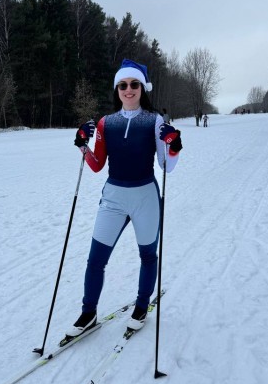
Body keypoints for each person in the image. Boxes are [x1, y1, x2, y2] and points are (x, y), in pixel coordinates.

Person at [66, 59, 182, 338]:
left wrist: (174, 145)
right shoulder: (107, 123)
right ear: (116, 89)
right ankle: (88, 313)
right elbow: (97, 164)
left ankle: (141, 307)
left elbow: (166, 165)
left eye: (134, 84)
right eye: (123, 85)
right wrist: (83, 145)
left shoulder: (154, 121)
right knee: (95, 259)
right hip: (114, 198)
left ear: (142, 88)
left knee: (147, 256)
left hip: (145, 198)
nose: (128, 90)